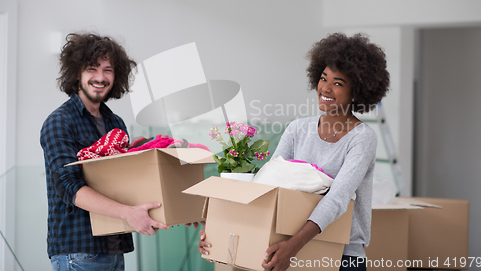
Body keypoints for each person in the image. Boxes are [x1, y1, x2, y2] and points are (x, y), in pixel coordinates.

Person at [198, 32, 390, 271]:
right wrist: (220, 226)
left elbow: (337, 199)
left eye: (338, 83)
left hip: (341, 255)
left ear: (357, 91)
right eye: (323, 78)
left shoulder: (362, 138)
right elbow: (267, 187)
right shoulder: (298, 129)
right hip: (289, 248)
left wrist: (293, 246)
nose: (325, 89)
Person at [41, 32, 169, 271]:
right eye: (92, 68)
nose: (100, 77)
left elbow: (125, 183)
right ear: (76, 73)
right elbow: (69, 187)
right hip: (78, 253)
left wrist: (172, 209)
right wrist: (128, 213)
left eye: (108, 70)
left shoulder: (116, 123)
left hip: (114, 248)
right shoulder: (59, 122)